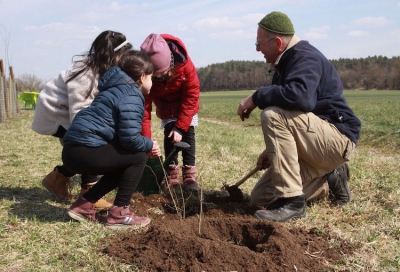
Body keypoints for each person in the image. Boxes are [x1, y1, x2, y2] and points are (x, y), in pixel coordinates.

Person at [237, 11, 361, 222]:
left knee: (271, 114)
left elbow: (301, 98)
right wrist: (272, 150)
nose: (258, 51)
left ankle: (292, 203)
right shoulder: (282, 66)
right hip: (314, 142)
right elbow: (296, 119)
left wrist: (257, 97)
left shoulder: (305, 56)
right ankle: (327, 179)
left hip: (337, 138)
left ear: (277, 42)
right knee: (261, 196)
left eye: (258, 45)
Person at [32, 30, 132, 209]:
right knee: (89, 146)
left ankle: (57, 178)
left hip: (67, 111)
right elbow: (79, 112)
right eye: (122, 57)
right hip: (54, 111)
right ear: (112, 55)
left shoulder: (103, 70)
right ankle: (88, 190)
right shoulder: (85, 72)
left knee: (86, 149)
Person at [62, 49, 161, 229]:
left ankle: (84, 205)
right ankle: (119, 214)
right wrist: (149, 144)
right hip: (87, 150)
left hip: (71, 152)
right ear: (141, 77)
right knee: (138, 156)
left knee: (122, 159)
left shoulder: (113, 89)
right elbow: (130, 139)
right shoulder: (132, 94)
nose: (152, 82)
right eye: (151, 77)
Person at [140, 33, 200, 192]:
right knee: (170, 134)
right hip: (166, 107)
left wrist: (181, 127)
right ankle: (172, 175)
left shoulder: (185, 65)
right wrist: (147, 141)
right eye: (155, 76)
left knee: (187, 133)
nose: (158, 77)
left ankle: (189, 175)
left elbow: (192, 95)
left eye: (161, 73)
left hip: (186, 105)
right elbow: (144, 110)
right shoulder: (145, 76)